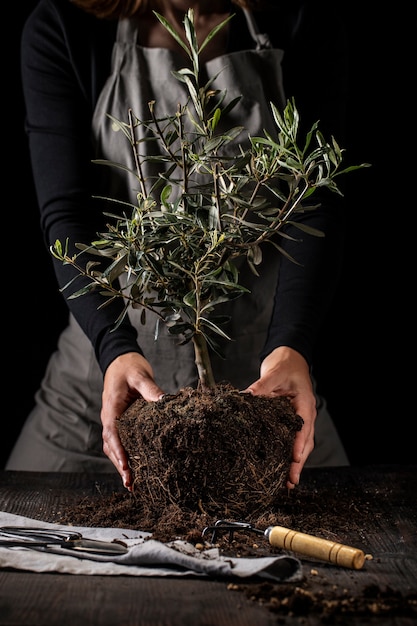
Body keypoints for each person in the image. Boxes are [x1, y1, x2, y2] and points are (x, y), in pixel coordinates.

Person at [7, 0, 349, 490]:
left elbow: (315, 201)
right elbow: (69, 216)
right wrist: (113, 346)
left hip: (267, 395)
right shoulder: (65, 25)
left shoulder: (300, 16)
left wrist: (292, 346)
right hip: (104, 386)